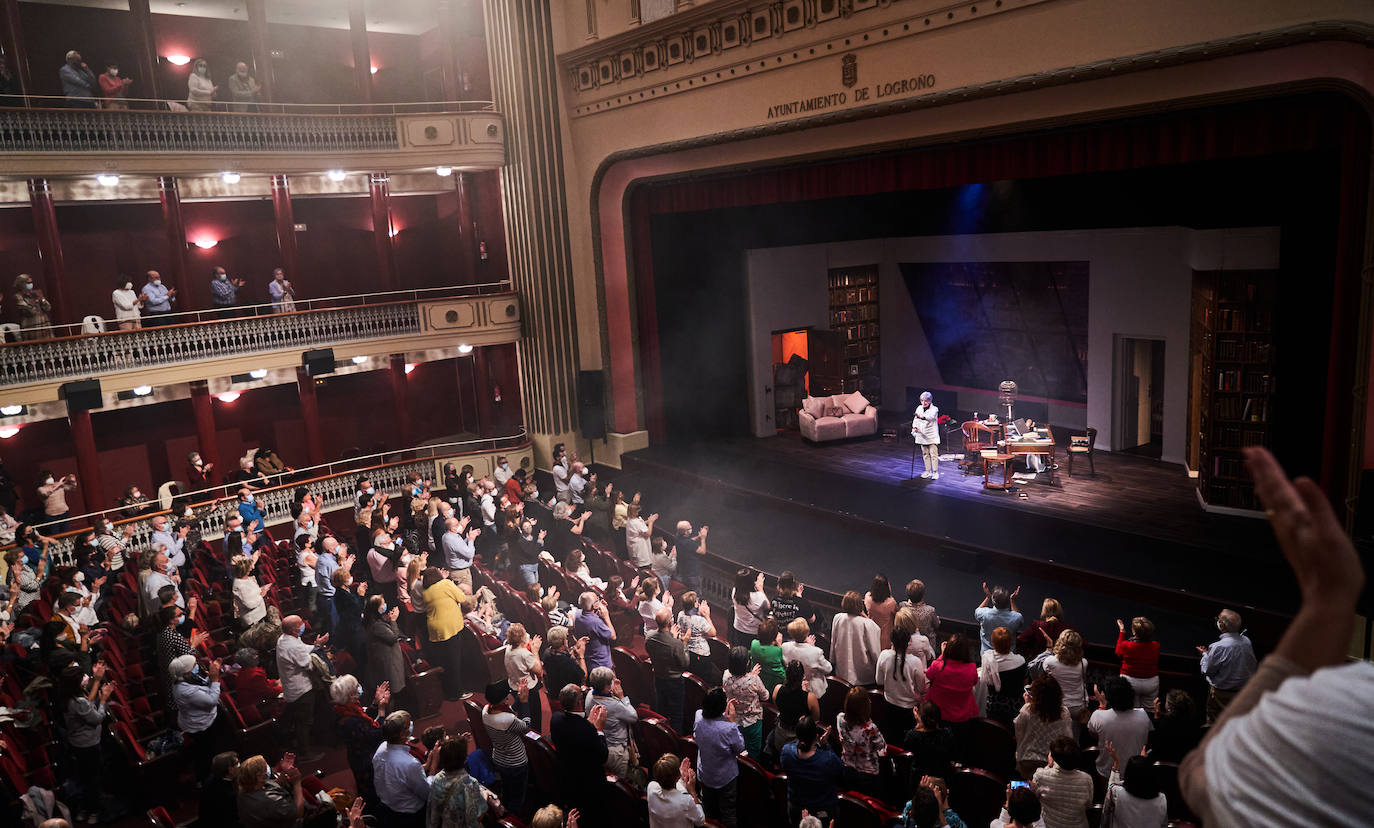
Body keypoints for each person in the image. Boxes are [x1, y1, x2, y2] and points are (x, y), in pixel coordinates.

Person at [1179, 446, 1374, 827]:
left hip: (1222, 693)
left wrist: (1326, 607)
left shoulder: (1354, 707)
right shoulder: (1248, 643)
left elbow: (1196, 774)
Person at [60, 662, 112, 822]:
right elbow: (97, 718)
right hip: (88, 745)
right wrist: (103, 699)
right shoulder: (79, 701)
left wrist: (96, 680)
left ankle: (85, 809)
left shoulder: (68, 696)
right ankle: (95, 812)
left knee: (85, 777)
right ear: (76, 682)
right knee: (93, 778)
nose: (86, 677)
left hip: (77, 744)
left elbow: (87, 705)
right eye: (83, 676)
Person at [333, 674, 390, 808]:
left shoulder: (345, 709)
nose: (359, 688)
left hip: (357, 755)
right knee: (372, 793)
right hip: (365, 759)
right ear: (350, 695)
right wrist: (382, 712)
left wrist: (375, 704)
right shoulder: (349, 720)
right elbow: (375, 735)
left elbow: (363, 721)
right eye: (356, 686)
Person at [169, 654, 228, 780]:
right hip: (200, 726)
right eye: (194, 666)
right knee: (207, 754)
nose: (197, 667)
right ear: (185, 673)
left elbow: (202, 686)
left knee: (204, 751)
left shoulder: (185, 678)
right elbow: (212, 699)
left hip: (198, 718)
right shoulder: (184, 690)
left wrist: (210, 676)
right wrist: (215, 679)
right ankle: (208, 779)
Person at [693, 687, 745, 828]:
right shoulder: (729, 728)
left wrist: (723, 713)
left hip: (706, 773)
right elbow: (739, 748)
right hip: (725, 778)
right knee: (728, 813)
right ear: (721, 707)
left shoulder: (698, 717)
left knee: (709, 810)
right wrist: (732, 720)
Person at [1197, 607, 1257, 724]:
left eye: (1218, 619)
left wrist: (1205, 656)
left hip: (1221, 694)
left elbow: (1207, 671)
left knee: (1214, 723)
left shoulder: (1218, 647)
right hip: (1242, 692)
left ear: (1222, 625)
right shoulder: (1246, 641)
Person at [780, 716, 844, 825]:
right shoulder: (827, 759)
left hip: (796, 809)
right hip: (821, 812)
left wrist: (803, 729)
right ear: (816, 736)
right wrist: (825, 746)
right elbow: (840, 772)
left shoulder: (786, 752)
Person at [277, 614, 324, 761]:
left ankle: (296, 744)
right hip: (301, 689)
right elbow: (307, 664)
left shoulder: (286, 639)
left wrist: (316, 646)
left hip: (294, 688)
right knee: (304, 721)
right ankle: (306, 753)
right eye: (300, 624)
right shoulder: (290, 645)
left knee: (298, 718)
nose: (303, 624)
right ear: (294, 630)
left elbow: (303, 648)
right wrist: (317, 652)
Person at [482, 680, 531, 816]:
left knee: (506, 790)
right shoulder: (507, 720)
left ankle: (502, 813)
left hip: (499, 759)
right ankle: (512, 820)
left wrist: (518, 700)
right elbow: (526, 726)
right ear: (504, 699)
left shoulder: (485, 711)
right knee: (517, 798)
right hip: (516, 762)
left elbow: (508, 711)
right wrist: (525, 701)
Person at [428, 735, 499, 828]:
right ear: (464, 758)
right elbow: (476, 817)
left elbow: (433, 817)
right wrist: (485, 796)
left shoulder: (436, 779)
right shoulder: (470, 783)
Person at [374, 711, 430, 827]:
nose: (411, 727)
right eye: (408, 725)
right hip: (410, 816)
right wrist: (433, 766)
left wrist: (426, 765)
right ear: (402, 734)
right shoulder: (410, 763)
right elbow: (427, 794)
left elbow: (399, 775)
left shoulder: (381, 748)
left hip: (386, 810)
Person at [1087, 678, 1152, 778]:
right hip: (1135, 773)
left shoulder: (1098, 716)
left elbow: (1093, 734)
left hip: (1107, 772)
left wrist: (1102, 706)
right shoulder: (1143, 715)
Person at [1014, 674, 1074, 780]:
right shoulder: (1064, 713)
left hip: (1027, 762)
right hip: (1052, 763)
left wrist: (1028, 704)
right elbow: (1068, 738)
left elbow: (1018, 733)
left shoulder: (1027, 711)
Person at [586, 666, 638, 781]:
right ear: (607, 687)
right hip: (616, 752)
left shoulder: (589, 695)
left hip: (600, 746)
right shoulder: (615, 705)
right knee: (620, 784)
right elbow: (634, 716)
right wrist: (621, 696)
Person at [422, 568, 467, 701]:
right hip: (450, 627)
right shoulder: (445, 584)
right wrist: (447, 580)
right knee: (454, 662)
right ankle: (456, 693)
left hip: (435, 630)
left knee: (445, 663)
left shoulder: (426, 592)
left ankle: (447, 690)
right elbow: (462, 597)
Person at [646, 606, 691, 735]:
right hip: (675, 681)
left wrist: (671, 636)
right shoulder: (675, 643)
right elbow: (685, 663)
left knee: (662, 708)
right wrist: (684, 643)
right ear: (670, 622)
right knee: (677, 714)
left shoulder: (649, 636)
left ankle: (661, 735)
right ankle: (676, 742)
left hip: (658, 677)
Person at [835, 685, 886, 795]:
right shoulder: (870, 728)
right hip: (868, 775)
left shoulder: (840, 719)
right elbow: (881, 747)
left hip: (847, 768)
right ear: (865, 707)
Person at [1033, 737, 1094, 828]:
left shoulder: (1040, 775)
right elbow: (1088, 804)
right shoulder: (1086, 779)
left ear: (1053, 757)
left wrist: (1048, 766)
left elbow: (1034, 799)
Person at [877, 626, 928, 733]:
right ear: (909, 641)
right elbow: (921, 688)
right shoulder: (915, 662)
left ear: (892, 641)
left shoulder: (884, 655)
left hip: (888, 706)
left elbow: (879, 681)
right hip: (909, 710)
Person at [1101, 747, 1166, 828]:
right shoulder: (1162, 799)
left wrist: (1116, 763)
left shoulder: (1117, 793)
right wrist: (1143, 763)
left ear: (1128, 774)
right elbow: (1163, 824)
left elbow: (1111, 787)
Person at [770, 659, 821, 760]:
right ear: (802, 677)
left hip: (780, 737)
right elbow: (815, 719)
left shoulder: (777, 689)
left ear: (786, 675)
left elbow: (778, 706)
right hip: (800, 740)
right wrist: (804, 693)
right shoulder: (810, 697)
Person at [237, 754, 306, 828]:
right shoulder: (270, 801)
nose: (267, 768)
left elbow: (272, 786)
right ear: (259, 776)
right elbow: (298, 813)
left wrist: (284, 771)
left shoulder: (246, 789)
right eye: (265, 767)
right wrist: (297, 783)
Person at [722, 646, 768, 756]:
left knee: (735, 748)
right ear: (747, 663)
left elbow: (738, 682)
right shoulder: (754, 680)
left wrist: (751, 675)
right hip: (752, 721)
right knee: (753, 752)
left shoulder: (725, 675)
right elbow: (765, 696)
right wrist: (753, 676)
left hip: (732, 719)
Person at [925, 633, 979, 727]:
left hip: (938, 714)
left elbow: (929, 675)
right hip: (963, 717)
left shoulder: (938, 665)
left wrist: (942, 655)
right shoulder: (972, 668)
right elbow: (974, 682)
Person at [978, 626, 1027, 728]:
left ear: (992, 642)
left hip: (993, 708)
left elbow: (985, 681)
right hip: (1015, 708)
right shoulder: (1021, 662)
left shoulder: (987, 660)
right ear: (1011, 642)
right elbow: (1025, 683)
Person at [830, 589, 881, 685]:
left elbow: (833, 643)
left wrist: (832, 661)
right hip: (864, 678)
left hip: (841, 673)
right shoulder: (868, 624)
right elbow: (875, 652)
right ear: (860, 606)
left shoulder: (838, 618)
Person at [902, 700, 957, 785]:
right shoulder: (947, 735)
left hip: (920, 781)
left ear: (920, 718)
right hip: (943, 779)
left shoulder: (912, 737)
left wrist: (918, 721)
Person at [647, 753, 706, 828]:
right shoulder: (686, 802)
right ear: (677, 777)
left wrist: (680, 777)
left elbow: (669, 786)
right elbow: (700, 821)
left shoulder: (651, 788)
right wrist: (692, 791)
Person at [1042, 630, 1089, 721]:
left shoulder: (1050, 662)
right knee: (1074, 733)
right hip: (1078, 705)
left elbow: (1045, 670)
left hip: (1058, 705)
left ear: (1060, 643)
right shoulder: (1083, 663)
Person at [365, 595, 407, 698]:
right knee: (390, 693)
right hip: (387, 661)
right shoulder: (376, 625)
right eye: (382, 604)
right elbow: (393, 638)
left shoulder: (374, 620)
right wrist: (393, 620)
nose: (385, 605)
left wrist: (388, 619)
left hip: (386, 658)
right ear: (377, 608)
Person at [504, 623, 544, 728]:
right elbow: (538, 670)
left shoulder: (508, 649)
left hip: (514, 686)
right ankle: (536, 739)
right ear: (522, 638)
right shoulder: (524, 654)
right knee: (534, 717)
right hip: (528, 689)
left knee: (522, 712)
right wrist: (535, 651)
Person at [1114, 617, 1160, 709]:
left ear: (1134, 632)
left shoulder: (1127, 645)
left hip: (1130, 682)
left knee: (1130, 710)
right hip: (1150, 683)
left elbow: (1118, 652)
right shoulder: (1156, 646)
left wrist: (1122, 631)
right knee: (1148, 713)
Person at [780, 617, 831, 698]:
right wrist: (812, 647)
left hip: (791, 686)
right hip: (813, 692)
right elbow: (828, 669)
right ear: (807, 632)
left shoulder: (785, 646)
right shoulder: (815, 652)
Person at [1147, 689, 1201, 763]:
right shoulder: (1192, 719)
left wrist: (1156, 717)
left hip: (1165, 760)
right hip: (1184, 759)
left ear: (1169, 707)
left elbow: (1155, 741)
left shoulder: (1164, 723)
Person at [675, 591, 718, 682]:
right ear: (694, 604)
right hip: (700, 654)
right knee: (703, 677)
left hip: (685, 650)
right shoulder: (700, 620)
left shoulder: (680, 615)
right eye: (696, 601)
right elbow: (713, 633)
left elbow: (691, 618)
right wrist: (707, 616)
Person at [974, 583, 1024, 655]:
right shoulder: (1016, 618)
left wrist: (987, 597)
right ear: (1007, 602)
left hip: (987, 658)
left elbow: (977, 611)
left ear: (993, 601)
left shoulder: (984, 614)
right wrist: (1012, 600)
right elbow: (1018, 616)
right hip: (1009, 660)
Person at [574, 590, 616, 672]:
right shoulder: (596, 622)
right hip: (600, 663)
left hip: (588, 659)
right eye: (597, 600)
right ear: (594, 605)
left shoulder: (577, 614)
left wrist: (598, 609)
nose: (599, 601)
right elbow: (613, 636)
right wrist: (606, 616)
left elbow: (590, 619)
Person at [729, 568, 769, 649]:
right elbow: (768, 606)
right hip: (754, 632)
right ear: (752, 582)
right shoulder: (759, 597)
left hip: (739, 629)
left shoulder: (734, 592)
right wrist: (760, 588)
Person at [200, 751, 241, 828]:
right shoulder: (228, 794)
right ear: (230, 770)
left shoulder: (211, 779)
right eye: (238, 763)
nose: (240, 766)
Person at [749, 616, 786, 693]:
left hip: (758, 679)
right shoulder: (777, 650)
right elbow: (784, 663)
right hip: (774, 684)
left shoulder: (754, 644)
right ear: (774, 636)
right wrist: (779, 644)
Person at [672, 520, 709, 595]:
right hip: (692, 574)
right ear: (685, 532)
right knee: (695, 594)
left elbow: (689, 541)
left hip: (682, 571)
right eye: (689, 528)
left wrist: (698, 536)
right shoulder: (689, 543)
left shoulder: (678, 537)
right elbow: (702, 551)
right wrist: (703, 538)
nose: (691, 529)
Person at [910, 391, 941, 479]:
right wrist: (914, 427)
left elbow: (930, 418)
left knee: (933, 454)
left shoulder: (934, 409)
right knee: (925, 453)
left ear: (930, 401)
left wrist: (922, 417)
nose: (924, 403)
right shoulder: (919, 408)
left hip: (931, 434)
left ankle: (935, 472)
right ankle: (927, 471)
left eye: (926, 401)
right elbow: (915, 420)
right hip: (922, 434)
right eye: (922, 400)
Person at [864, 573, 899, 648]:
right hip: (885, 638)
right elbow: (897, 615)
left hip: (871, 634)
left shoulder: (867, 598)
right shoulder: (891, 603)